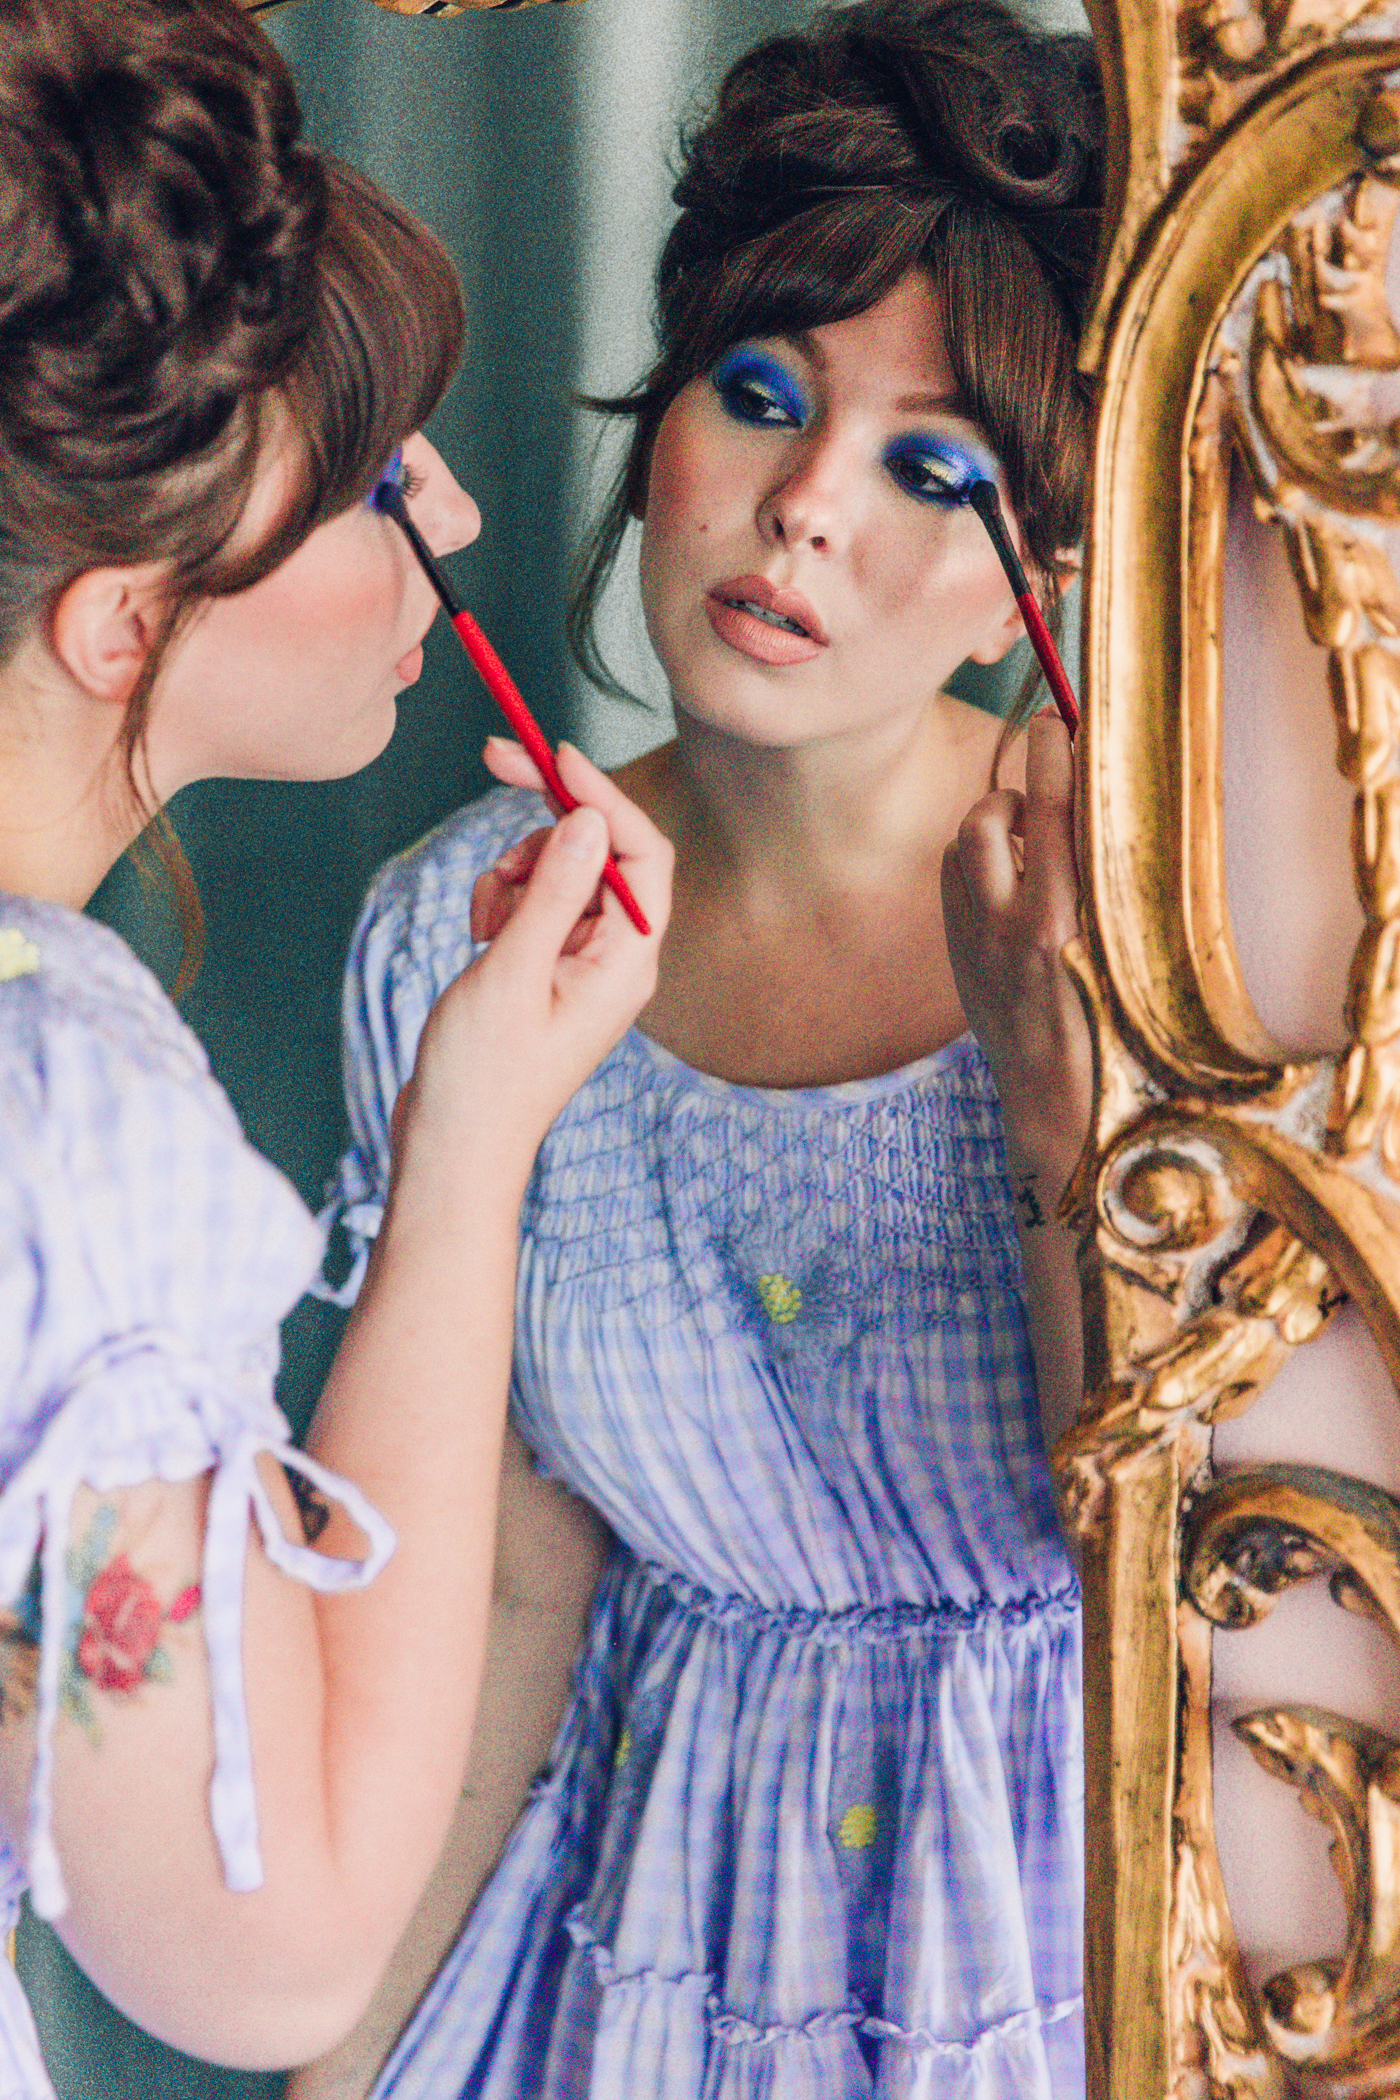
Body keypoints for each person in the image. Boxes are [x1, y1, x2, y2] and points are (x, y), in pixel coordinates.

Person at [299, 1, 1100, 2093]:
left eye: (933, 467)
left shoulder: (1149, 939)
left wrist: (1050, 1099)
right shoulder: (460, 941)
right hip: (624, 1963)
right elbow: (492, 1604)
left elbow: (1222, 1581)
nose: (805, 505)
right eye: (760, 394)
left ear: (1037, 583)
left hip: (1083, 1968)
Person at [0, 0, 671, 2091]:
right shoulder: (60, 1104)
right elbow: (273, 1955)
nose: (459, 524)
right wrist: (466, 1154)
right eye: (383, 477)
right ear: (124, 622)